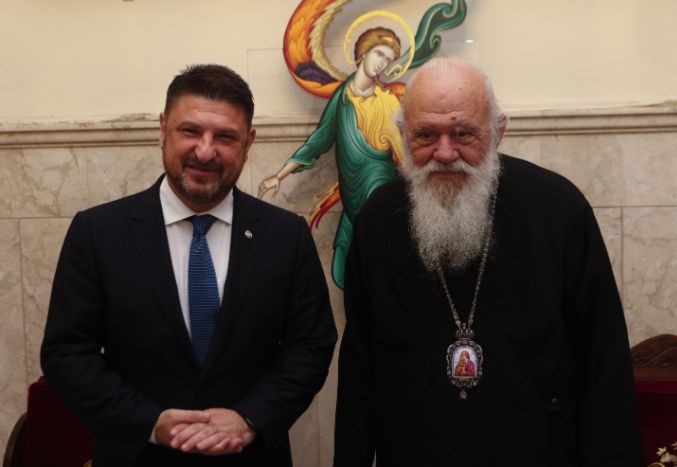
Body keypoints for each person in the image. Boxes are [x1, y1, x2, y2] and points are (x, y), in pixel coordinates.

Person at [334, 57, 643, 466]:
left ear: (498, 131)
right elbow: (360, 366)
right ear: (404, 135)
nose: (445, 153)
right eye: (426, 135)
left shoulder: (557, 209)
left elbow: (602, 360)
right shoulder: (379, 218)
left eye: (464, 133)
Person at [41, 64, 337, 467]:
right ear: (163, 129)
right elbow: (67, 354)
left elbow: (311, 346)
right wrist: (150, 422)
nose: (205, 151)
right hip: (139, 456)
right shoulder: (98, 233)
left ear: (248, 143)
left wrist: (250, 418)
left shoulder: (286, 236)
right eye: (190, 131)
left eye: (225, 137)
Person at [257, 27, 404, 289]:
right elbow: (319, 140)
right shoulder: (342, 98)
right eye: (379, 54)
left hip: (378, 183)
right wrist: (278, 175)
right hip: (351, 191)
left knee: (377, 253)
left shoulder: (387, 101)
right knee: (345, 265)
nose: (382, 63)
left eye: (389, 60)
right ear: (363, 52)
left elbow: (405, 154)